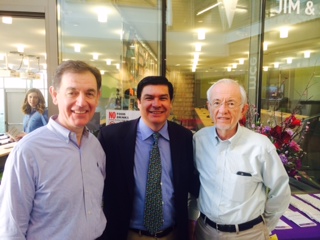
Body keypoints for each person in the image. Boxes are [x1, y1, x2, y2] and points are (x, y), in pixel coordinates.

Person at [0, 60, 106, 239]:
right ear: (55, 95)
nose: (81, 102)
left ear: (97, 97)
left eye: (89, 93)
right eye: (72, 93)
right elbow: (11, 229)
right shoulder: (28, 152)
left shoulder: (95, 146)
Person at [97, 76, 200, 240]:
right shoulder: (111, 138)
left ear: (170, 102)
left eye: (163, 98)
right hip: (128, 234)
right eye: (149, 98)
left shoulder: (184, 138)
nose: (156, 104)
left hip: (173, 234)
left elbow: (191, 184)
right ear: (138, 102)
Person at [191, 79, 291, 240]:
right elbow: (194, 185)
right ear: (209, 107)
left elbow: (280, 192)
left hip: (248, 234)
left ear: (243, 109)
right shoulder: (199, 140)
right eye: (216, 102)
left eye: (231, 103)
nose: (223, 110)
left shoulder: (261, 146)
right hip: (205, 231)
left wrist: (264, 227)